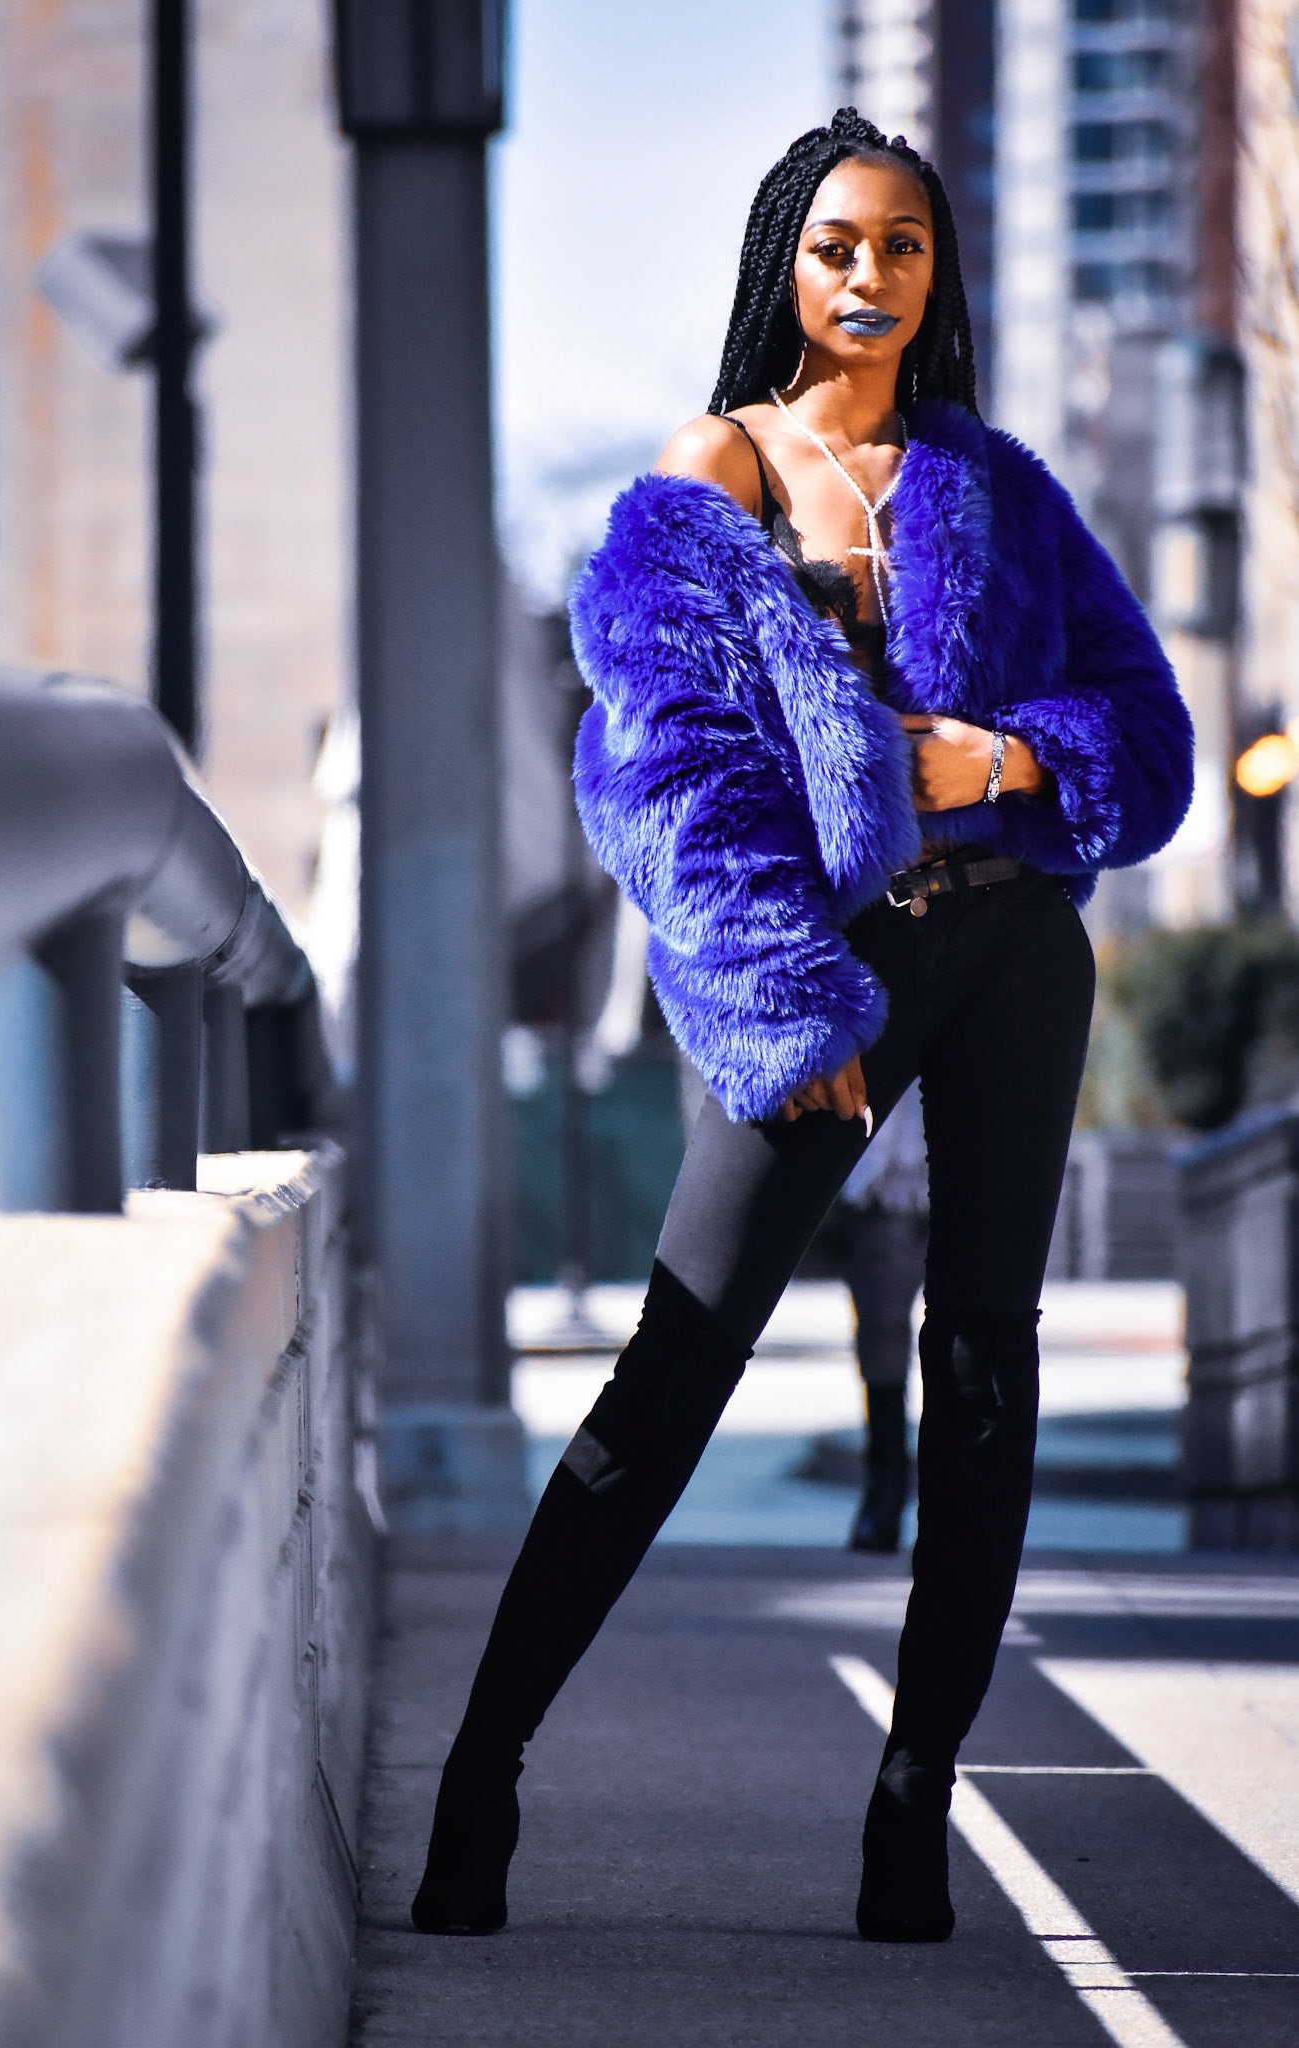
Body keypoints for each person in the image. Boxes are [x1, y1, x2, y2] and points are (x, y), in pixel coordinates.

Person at [412, 107, 1193, 1945]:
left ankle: (913, 1803)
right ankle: (481, 1774)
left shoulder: (998, 484)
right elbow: (666, 771)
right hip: (831, 964)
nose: (868, 274)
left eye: (902, 244)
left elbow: (1145, 730)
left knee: (982, 1372)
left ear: (938, 272)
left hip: (1018, 951)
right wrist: (779, 995)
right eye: (837, 244)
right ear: (786, 261)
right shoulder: (720, 466)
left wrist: (1009, 758)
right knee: (677, 1363)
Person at [837, 1077, 926, 1552]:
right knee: (883, 1346)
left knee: (888, 1346)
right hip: (894, 1197)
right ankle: (885, 1495)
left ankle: (887, 1497)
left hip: (904, 1194)